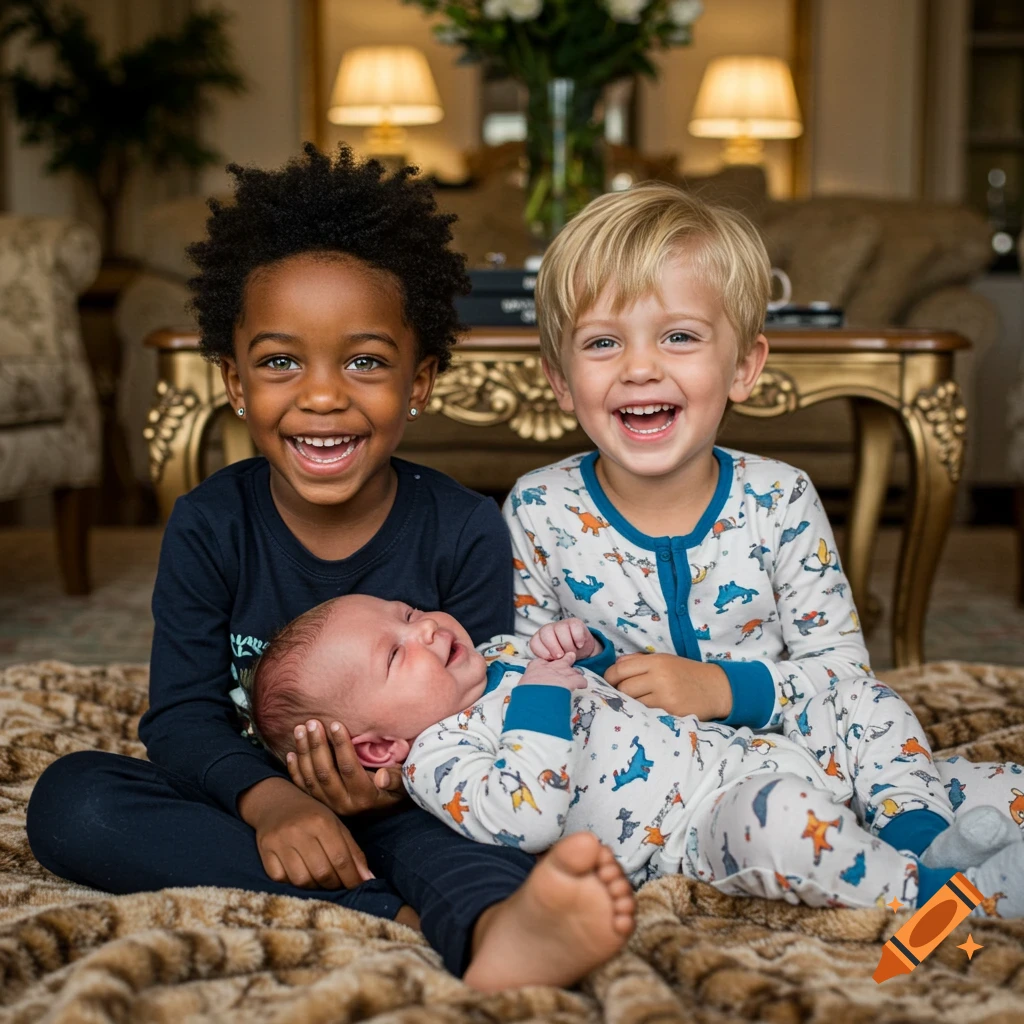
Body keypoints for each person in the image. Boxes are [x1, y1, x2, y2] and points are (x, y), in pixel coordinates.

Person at [25, 144, 627, 993]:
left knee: (483, 845)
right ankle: (394, 913)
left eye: (365, 361)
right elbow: (183, 719)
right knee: (75, 800)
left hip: (422, 802)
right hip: (250, 804)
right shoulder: (209, 524)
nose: (320, 395)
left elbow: (492, 691)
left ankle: (498, 929)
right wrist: (274, 802)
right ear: (233, 382)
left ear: (419, 382)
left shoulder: (462, 527)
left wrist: (381, 795)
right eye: (279, 362)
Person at [249, 595, 1024, 919]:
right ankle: (934, 896)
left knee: (866, 704)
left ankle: (919, 828)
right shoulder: (440, 761)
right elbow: (527, 814)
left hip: (766, 749)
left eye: (410, 613)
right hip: (703, 824)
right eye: (396, 654)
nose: (424, 630)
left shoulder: (499, 654)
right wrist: (545, 692)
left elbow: (623, 686)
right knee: (784, 823)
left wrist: (587, 649)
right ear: (380, 745)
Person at [503, 181, 874, 735]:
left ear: (744, 367)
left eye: (679, 336)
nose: (640, 368)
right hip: (639, 788)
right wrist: (582, 660)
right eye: (603, 343)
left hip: (787, 764)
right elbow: (518, 678)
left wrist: (721, 689)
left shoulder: (780, 498)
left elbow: (847, 676)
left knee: (892, 721)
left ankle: (917, 826)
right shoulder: (538, 509)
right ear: (559, 379)